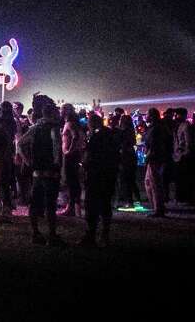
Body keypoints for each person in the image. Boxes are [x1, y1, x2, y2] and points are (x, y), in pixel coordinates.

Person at [20, 99, 66, 246]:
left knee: (34, 204)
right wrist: (59, 167)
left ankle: (35, 234)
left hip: (37, 171)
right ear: (52, 113)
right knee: (50, 204)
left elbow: (20, 143)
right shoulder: (54, 128)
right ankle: (52, 235)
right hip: (50, 172)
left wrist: (28, 162)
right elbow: (56, 148)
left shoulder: (35, 127)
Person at [80, 113, 120, 247]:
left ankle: (91, 234)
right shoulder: (111, 134)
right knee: (105, 204)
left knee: (92, 205)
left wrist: (84, 166)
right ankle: (105, 234)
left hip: (95, 175)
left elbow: (88, 156)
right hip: (109, 174)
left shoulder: (95, 137)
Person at [142, 108, 172, 217]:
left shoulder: (156, 128)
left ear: (152, 116)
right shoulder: (155, 127)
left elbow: (154, 145)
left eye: (147, 114)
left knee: (154, 184)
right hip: (155, 157)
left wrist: (148, 156)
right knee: (149, 183)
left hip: (155, 158)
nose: (146, 116)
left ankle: (158, 209)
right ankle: (157, 207)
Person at [59, 105, 85, 217]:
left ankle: (72, 208)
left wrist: (69, 150)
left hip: (71, 156)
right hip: (73, 155)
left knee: (71, 182)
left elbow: (75, 136)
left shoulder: (70, 123)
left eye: (61, 110)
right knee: (73, 182)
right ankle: (73, 207)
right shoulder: (72, 123)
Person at [116, 113, 140, 207]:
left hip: (125, 156)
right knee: (131, 180)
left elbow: (121, 144)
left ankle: (129, 201)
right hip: (131, 156)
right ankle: (136, 200)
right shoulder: (131, 131)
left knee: (126, 180)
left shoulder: (123, 132)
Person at [172, 108, 195, 205]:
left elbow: (188, 142)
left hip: (183, 157)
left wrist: (185, 154)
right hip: (178, 156)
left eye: (177, 114)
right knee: (179, 179)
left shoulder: (186, 126)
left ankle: (186, 199)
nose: (175, 116)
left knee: (185, 179)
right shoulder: (179, 126)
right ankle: (181, 198)